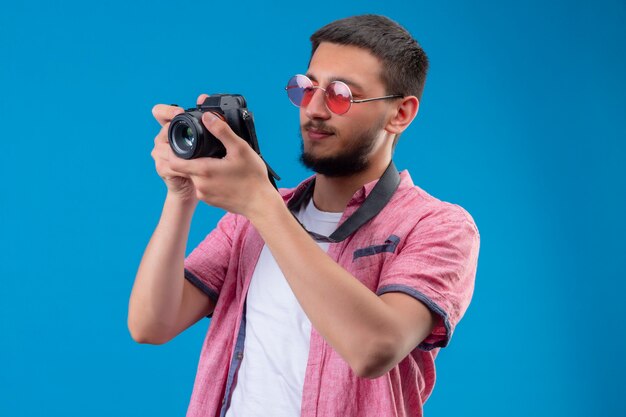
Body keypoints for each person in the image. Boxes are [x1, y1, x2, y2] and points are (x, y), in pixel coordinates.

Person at [128, 14, 480, 417]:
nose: (314, 109)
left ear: (400, 113)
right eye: (307, 88)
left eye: (341, 94)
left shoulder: (439, 227)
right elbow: (151, 323)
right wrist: (181, 193)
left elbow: (373, 349)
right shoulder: (253, 217)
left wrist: (260, 202)